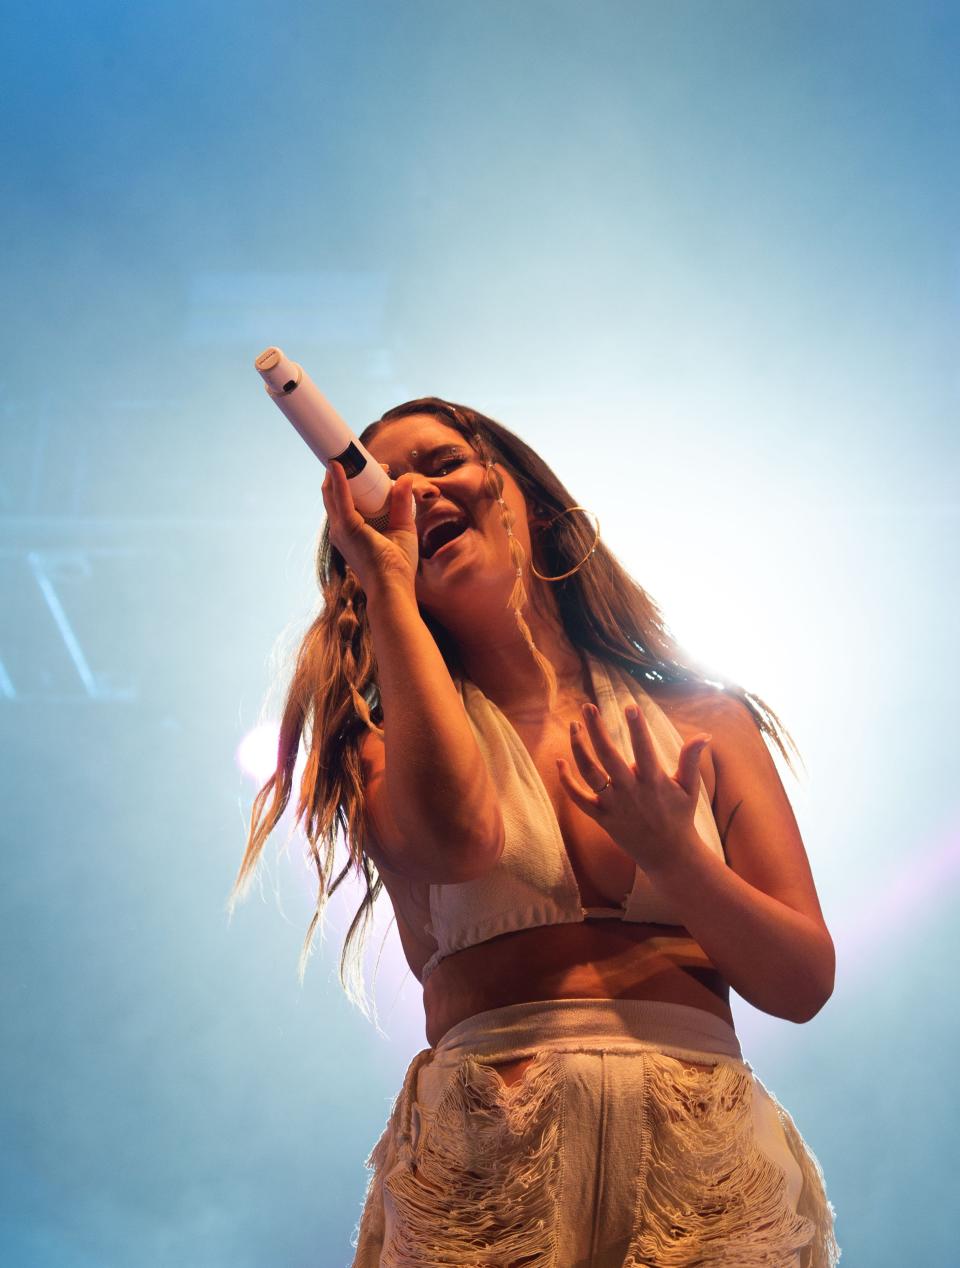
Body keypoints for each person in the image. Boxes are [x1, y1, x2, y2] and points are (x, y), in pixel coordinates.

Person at [228, 397, 840, 1267]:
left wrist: (677, 858)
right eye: (384, 491)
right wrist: (391, 592)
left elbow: (802, 982)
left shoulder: (707, 718)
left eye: (438, 465)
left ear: (531, 502)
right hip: (484, 1182)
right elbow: (461, 842)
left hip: (704, 1181)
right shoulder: (374, 749)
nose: (412, 495)